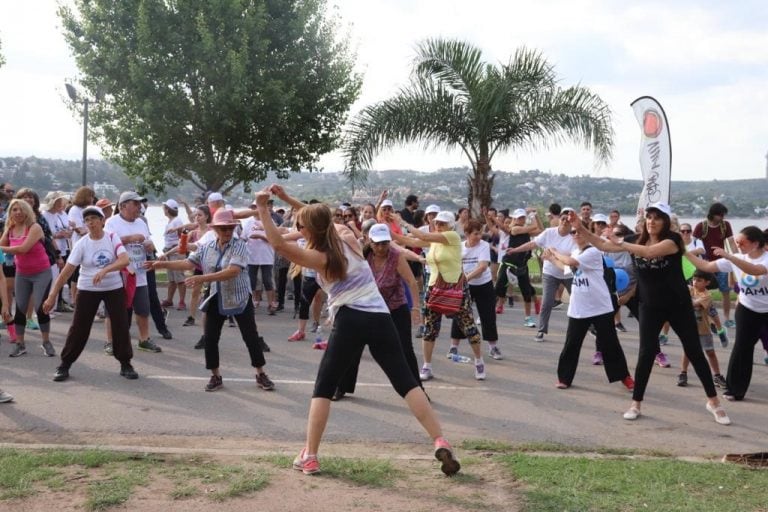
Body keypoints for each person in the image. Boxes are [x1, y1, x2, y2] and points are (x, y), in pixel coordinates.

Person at [255, 186, 459, 477]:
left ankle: (310, 455)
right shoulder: (348, 237)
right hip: (380, 317)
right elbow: (320, 219)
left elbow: (280, 245)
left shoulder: (319, 257)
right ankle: (440, 438)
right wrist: (288, 199)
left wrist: (263, 208)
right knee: (406, 382)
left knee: (324, 387)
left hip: (349, 319)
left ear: (307, 229)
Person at [575, 202, 730, 425]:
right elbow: (603, 245)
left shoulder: (673, 240)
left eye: (657, 217)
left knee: (694, 351)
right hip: (649, 306)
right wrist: (580, 227)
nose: (652, 221)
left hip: (678, 304)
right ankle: (636, 403)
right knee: (646, 354)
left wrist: (622, 243)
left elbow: (649, 252)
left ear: (666, 221)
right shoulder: (634, 241)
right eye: (649, 217)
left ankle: (714, 403)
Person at [148, 208, 274, 393]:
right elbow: (189, 263)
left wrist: (201, 279)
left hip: (239, 298)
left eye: (230, 228)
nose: (228, 231)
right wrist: (162, 263)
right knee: (210, 338)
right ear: (215, 229)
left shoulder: (240, 245)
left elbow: (233, 271)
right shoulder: (207, 247)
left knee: (251, 337)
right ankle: (215, 376)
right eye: (223, 228)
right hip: (217, 296)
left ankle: (260, 373)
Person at [42, 206, 138, 382]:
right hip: (87, 288)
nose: (90, 222)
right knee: (79, 327)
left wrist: (106, 270)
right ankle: (65, 364)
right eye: (87, 220)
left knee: (120, 325)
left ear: (102, 221)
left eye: (94, 218)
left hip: (113, 287)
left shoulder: (111, 236)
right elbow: (66, 273)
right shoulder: (82, 244)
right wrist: (52, 296)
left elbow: (124, 260)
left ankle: (125, 363)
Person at [332, 223, 422, 400]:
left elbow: (411, 282)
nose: (381, 247)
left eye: (385, 243)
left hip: (395, 307)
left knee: (405, 349)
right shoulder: (361, 255)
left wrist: (416, 308)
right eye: (377, 243)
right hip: (366, 307)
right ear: (369, 241)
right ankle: (341, 387)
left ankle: (418, 389)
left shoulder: (396, 256)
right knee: (352, 347)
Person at [397, 211, 485, 381]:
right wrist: (387, 228)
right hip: (434, 287)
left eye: (442, 223)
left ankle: (479, 361)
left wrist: (403, 222)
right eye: (437, 223)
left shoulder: (451, 236)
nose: (438, 225)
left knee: (468, 327)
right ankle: (427, 366)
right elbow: (410, 241)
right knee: (430, 329)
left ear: (451, 225)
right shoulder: (435, 240)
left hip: (455, 288)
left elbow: (420, 235)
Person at [543, 225, 634, 390]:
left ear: (587, 234)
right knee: (571, 344)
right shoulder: (576, 252)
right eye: (573, 232)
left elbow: (571, 262)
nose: (576, 234)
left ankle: (624, 377)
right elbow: (566, 268)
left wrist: (555, 251)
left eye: (579, 231)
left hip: (600, 307)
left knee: (610, 344)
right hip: (579, 308)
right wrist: (551, 258)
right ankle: (564, 378)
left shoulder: (593, 252)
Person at [684, 226, 768, 401]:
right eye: (736, 242)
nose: (738, 245)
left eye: (741, 242)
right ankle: (735, 389)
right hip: (747, 309)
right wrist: (684, 251)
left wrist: (729, 256)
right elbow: (705, 265)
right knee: (742, 349)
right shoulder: (737, 258)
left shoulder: (765, 259)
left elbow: (756, 270)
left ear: (755, 243)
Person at [505, 207, 576, 342]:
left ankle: (588, 327)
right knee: (547, 302)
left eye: (568, 219)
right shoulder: (549, 233)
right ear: (559, 219)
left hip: (568, 275)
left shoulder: (574, 237)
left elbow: (571, 261)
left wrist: (553, 255)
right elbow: (533, 244)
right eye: (563, 218)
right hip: (550, 273)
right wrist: (515, 250)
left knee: (578, 300)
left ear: (572, 222)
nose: (565, 221)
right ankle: (542, 330)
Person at [105, 192, 162, 353]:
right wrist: (129, 238)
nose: (140, 207)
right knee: (114, 309)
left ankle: (144, 340)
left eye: (140, 204)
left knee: (143, 308)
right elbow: (107, 241)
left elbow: (147, 240)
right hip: (119, 274)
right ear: (123, 206)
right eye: (136, 204)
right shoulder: (112, 222)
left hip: (139, 274)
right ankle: (111, 341)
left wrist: (150, 245)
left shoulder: (141, 222)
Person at [0, 199, 54, 357]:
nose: (18, 212)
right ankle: (20, 344)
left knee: (40, 307)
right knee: (20, 308)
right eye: (14, 210)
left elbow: (23, 249)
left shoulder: (34, 227)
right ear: (10, 213)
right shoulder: (10, 228)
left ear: (27, 211)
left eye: (21, 209)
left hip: (41, 273)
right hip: (22, 273)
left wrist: (1, 247)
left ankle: (46, 342)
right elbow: (2, 245)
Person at [448, 219, 501, 360]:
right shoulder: (459, 247)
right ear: (466, 234)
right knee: (460, 315)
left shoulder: (483, 245)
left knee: (488, 316)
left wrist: (466, 278)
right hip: (466, 286)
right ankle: (454, 347)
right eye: (475, 234)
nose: (479, 237)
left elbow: (483, 267)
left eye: (480, 233)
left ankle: (493, 347)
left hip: (484, 284)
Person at [489, 208, 543, 327]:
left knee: (526, 292)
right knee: (497, 288)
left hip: (522, 265)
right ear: (515, 219)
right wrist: (531, 215)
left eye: (523, 217)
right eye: (519, 217)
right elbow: (534, 227)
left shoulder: (525, 232)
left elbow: (540, 230)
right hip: (508, 264)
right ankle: (487, 314)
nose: (521, 219)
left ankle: (528, 318)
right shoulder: (515, 229)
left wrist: (536, 215)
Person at [676, 270, 726, 389]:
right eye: (694, 279)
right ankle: (683, 373)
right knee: (688, 351)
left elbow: (692, 304)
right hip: (689, 328)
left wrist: (720, 329)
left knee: (710, 352)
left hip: (703, 329)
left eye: (699, 280)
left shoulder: (707, 296)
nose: (695, 282)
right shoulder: (689, 289)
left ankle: (717, 376)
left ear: (707, 282)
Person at [692, 202, 735, 326]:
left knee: (725, 290)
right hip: (705, 263)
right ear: (713, 214)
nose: (722, 218)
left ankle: (727, 318)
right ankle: (704, 318)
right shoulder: (701, 226)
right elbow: (694, 244)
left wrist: (736, 258)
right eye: (720, 215)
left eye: (723, 215)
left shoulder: (725, 225)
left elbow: (731, 242)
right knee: (700, 290)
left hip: (721, 262)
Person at [67, 186, 97, 305]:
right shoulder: (75, 210)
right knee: (76, 274)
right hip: (79, 244)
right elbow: (79, 229)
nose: (92, 199)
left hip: (90, 244)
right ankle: (75, 299)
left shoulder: (89, 208)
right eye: (91, 196)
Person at [160, 199, 187, 311]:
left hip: (175, 252)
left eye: (164, 208)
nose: (163, 210)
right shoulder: (172, 221)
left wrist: (181, 252)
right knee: (171, 278)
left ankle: (182, 301)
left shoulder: (177, 221)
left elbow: (182, 237)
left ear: (167, 209)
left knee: (179, 278)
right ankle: (169, 299)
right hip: (170, 251)